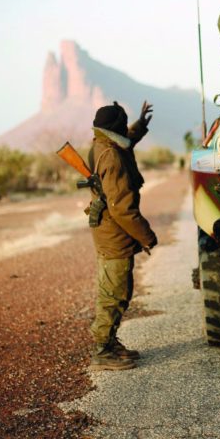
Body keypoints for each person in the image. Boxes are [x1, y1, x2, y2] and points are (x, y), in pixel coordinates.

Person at [87, 100, 158, 371]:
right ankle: (102, 350)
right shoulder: (112, 156)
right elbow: (122, 208)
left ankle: (110, 343)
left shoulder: (103, 143)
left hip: (109, 228)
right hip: (114, 231)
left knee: (118, 288)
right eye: (124, 125)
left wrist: (140, 125)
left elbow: (127, 140)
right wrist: (146, 236)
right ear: (116, 128)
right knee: (114, 292)